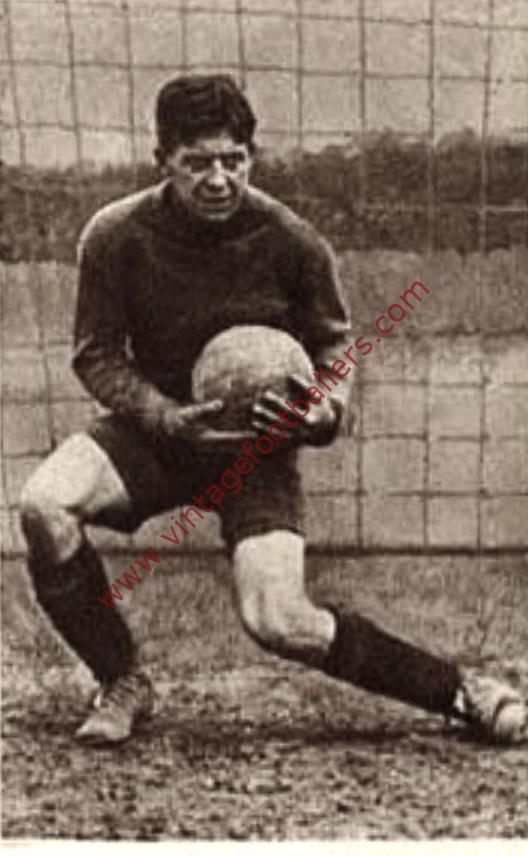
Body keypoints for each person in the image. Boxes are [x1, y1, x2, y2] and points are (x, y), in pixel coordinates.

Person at [20, 75, 526, 746]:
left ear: (251, 156)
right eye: (198, 162)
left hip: (257, 452)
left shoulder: (290, 239)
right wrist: (164, 414)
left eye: (234, 160)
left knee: (278, 620)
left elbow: (334, 346)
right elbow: (97, 354)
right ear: (162, 160)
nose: (219, 179)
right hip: (160, 432)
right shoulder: (114, 235)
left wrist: (323, 412)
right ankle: (121, 679)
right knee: (45, 504)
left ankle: (461, 690)